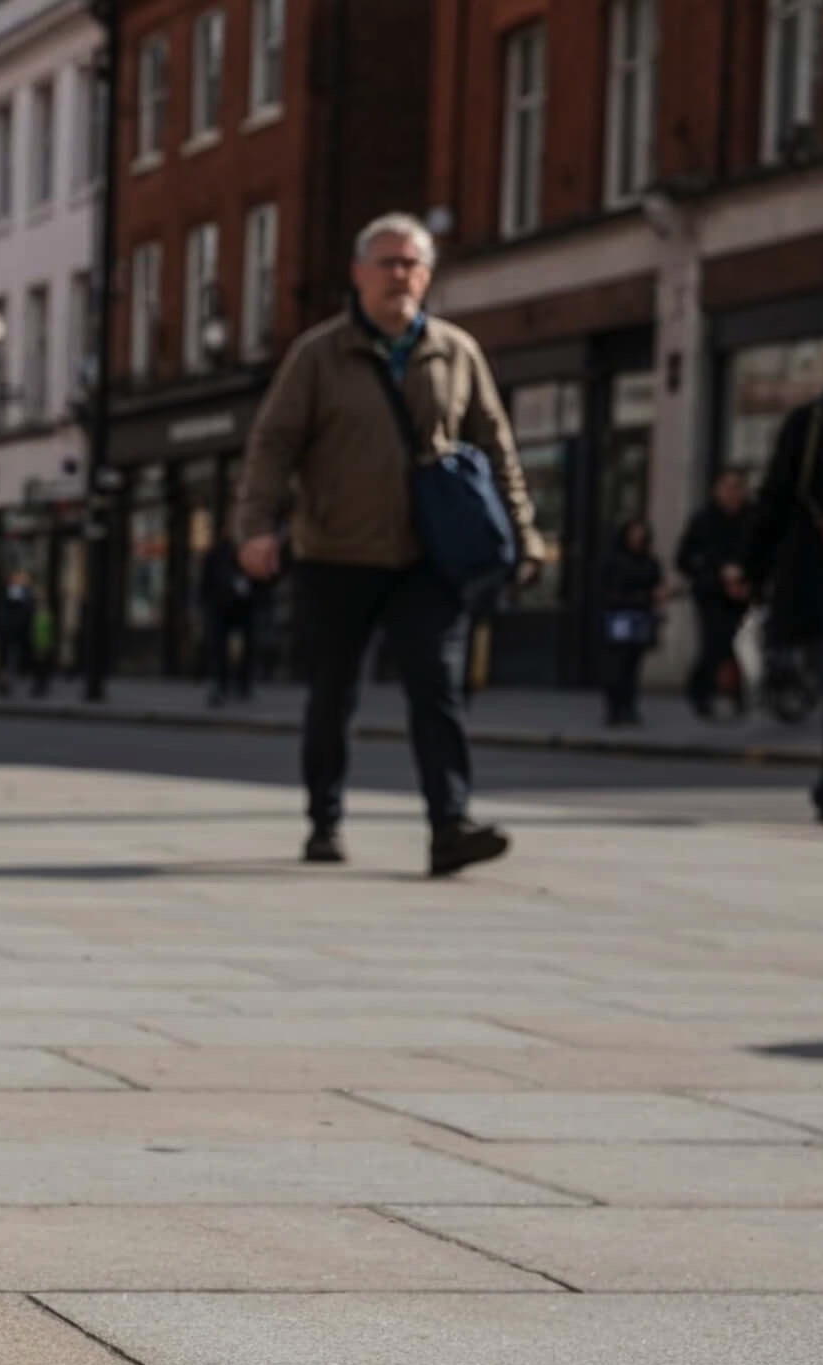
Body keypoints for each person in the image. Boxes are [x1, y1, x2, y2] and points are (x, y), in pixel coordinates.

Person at [232, 211, 538, 877]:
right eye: (388, 262)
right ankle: (323, 819)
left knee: (436, 688)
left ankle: (448, 826)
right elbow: (272, 444)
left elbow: (494, 446)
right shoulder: (318, 353)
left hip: (427, 558)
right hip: (333, 554)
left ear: (427, 275)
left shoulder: (456, 352)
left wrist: (523, 531)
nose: (400, 275)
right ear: (358, 273)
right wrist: (254, 525)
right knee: (332, 693)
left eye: (412, 264)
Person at [729, 363, 823, 824]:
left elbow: (774, 500)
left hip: (821, 578)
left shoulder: (810, 423)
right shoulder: (808, 423)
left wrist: (748, 568)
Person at [677, 468, 756, 718]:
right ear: (717, 490)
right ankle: (704, 692)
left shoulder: (752, 518)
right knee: (716, 641)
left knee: (738, 643)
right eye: (728, 487)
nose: (734, 493)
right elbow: (685, 559)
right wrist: (716, 572)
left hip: (743, 592)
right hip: (711, 593)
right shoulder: (703, 519)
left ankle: (736, 692)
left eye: (738, 487)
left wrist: (748, 579)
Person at [592, 517, 666, 729]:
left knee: (633, 664)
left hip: (640, 617)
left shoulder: (649, 561)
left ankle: (628, 707)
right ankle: (615, 707)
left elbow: (655, 584)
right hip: (618, 617)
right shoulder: (613, 561)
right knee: (617, 664)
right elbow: (605, 591)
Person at [199, 543, 258, 705]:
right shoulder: (217, 554)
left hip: (242, 608)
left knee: (244, 648)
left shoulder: (246, 552)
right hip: (220, 607)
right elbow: (207, 581)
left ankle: (240, 684)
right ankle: (221, 683)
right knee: (219, 648)